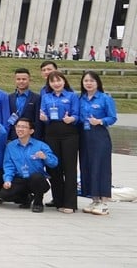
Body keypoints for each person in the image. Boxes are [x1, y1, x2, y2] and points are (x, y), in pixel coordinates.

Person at [39, 70, 80, 213]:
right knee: (54, 167)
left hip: (68, 132)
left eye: (58, 80)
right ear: (49, 83)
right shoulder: (46, 97)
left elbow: (77, 114)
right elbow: (43, 113)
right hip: (51, 132)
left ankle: (70, 203)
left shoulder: (72, 96)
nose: (56, 83)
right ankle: (58, 200)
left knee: (69, 168)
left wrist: (72, 119)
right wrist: (43, 117)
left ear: (64, 81)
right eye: (52, 81)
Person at [0, 118, 59, 212]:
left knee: (36, 177)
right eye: (18, 126)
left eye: (23, 127)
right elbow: (8, 165)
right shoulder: (11, 146)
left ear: (31, 131)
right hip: (21, 179)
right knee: (4, 194)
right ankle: (26, 199)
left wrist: (45, 157)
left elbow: (54, 163)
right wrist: (8, 180)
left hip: (37, 180)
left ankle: (38, 202)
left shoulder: (40, 145)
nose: (20, 129)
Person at [78, 70, 116, 215]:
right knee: (87, 166)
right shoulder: (81, 98)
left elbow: (112, 117)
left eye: (91, 81)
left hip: (99, 136)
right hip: (84, 136)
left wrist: (100, 121)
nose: (88, 83)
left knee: (101, 167)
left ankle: (104, 201)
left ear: (97, 83)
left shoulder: (105, 98)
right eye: (86, 81)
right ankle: (94, 199)